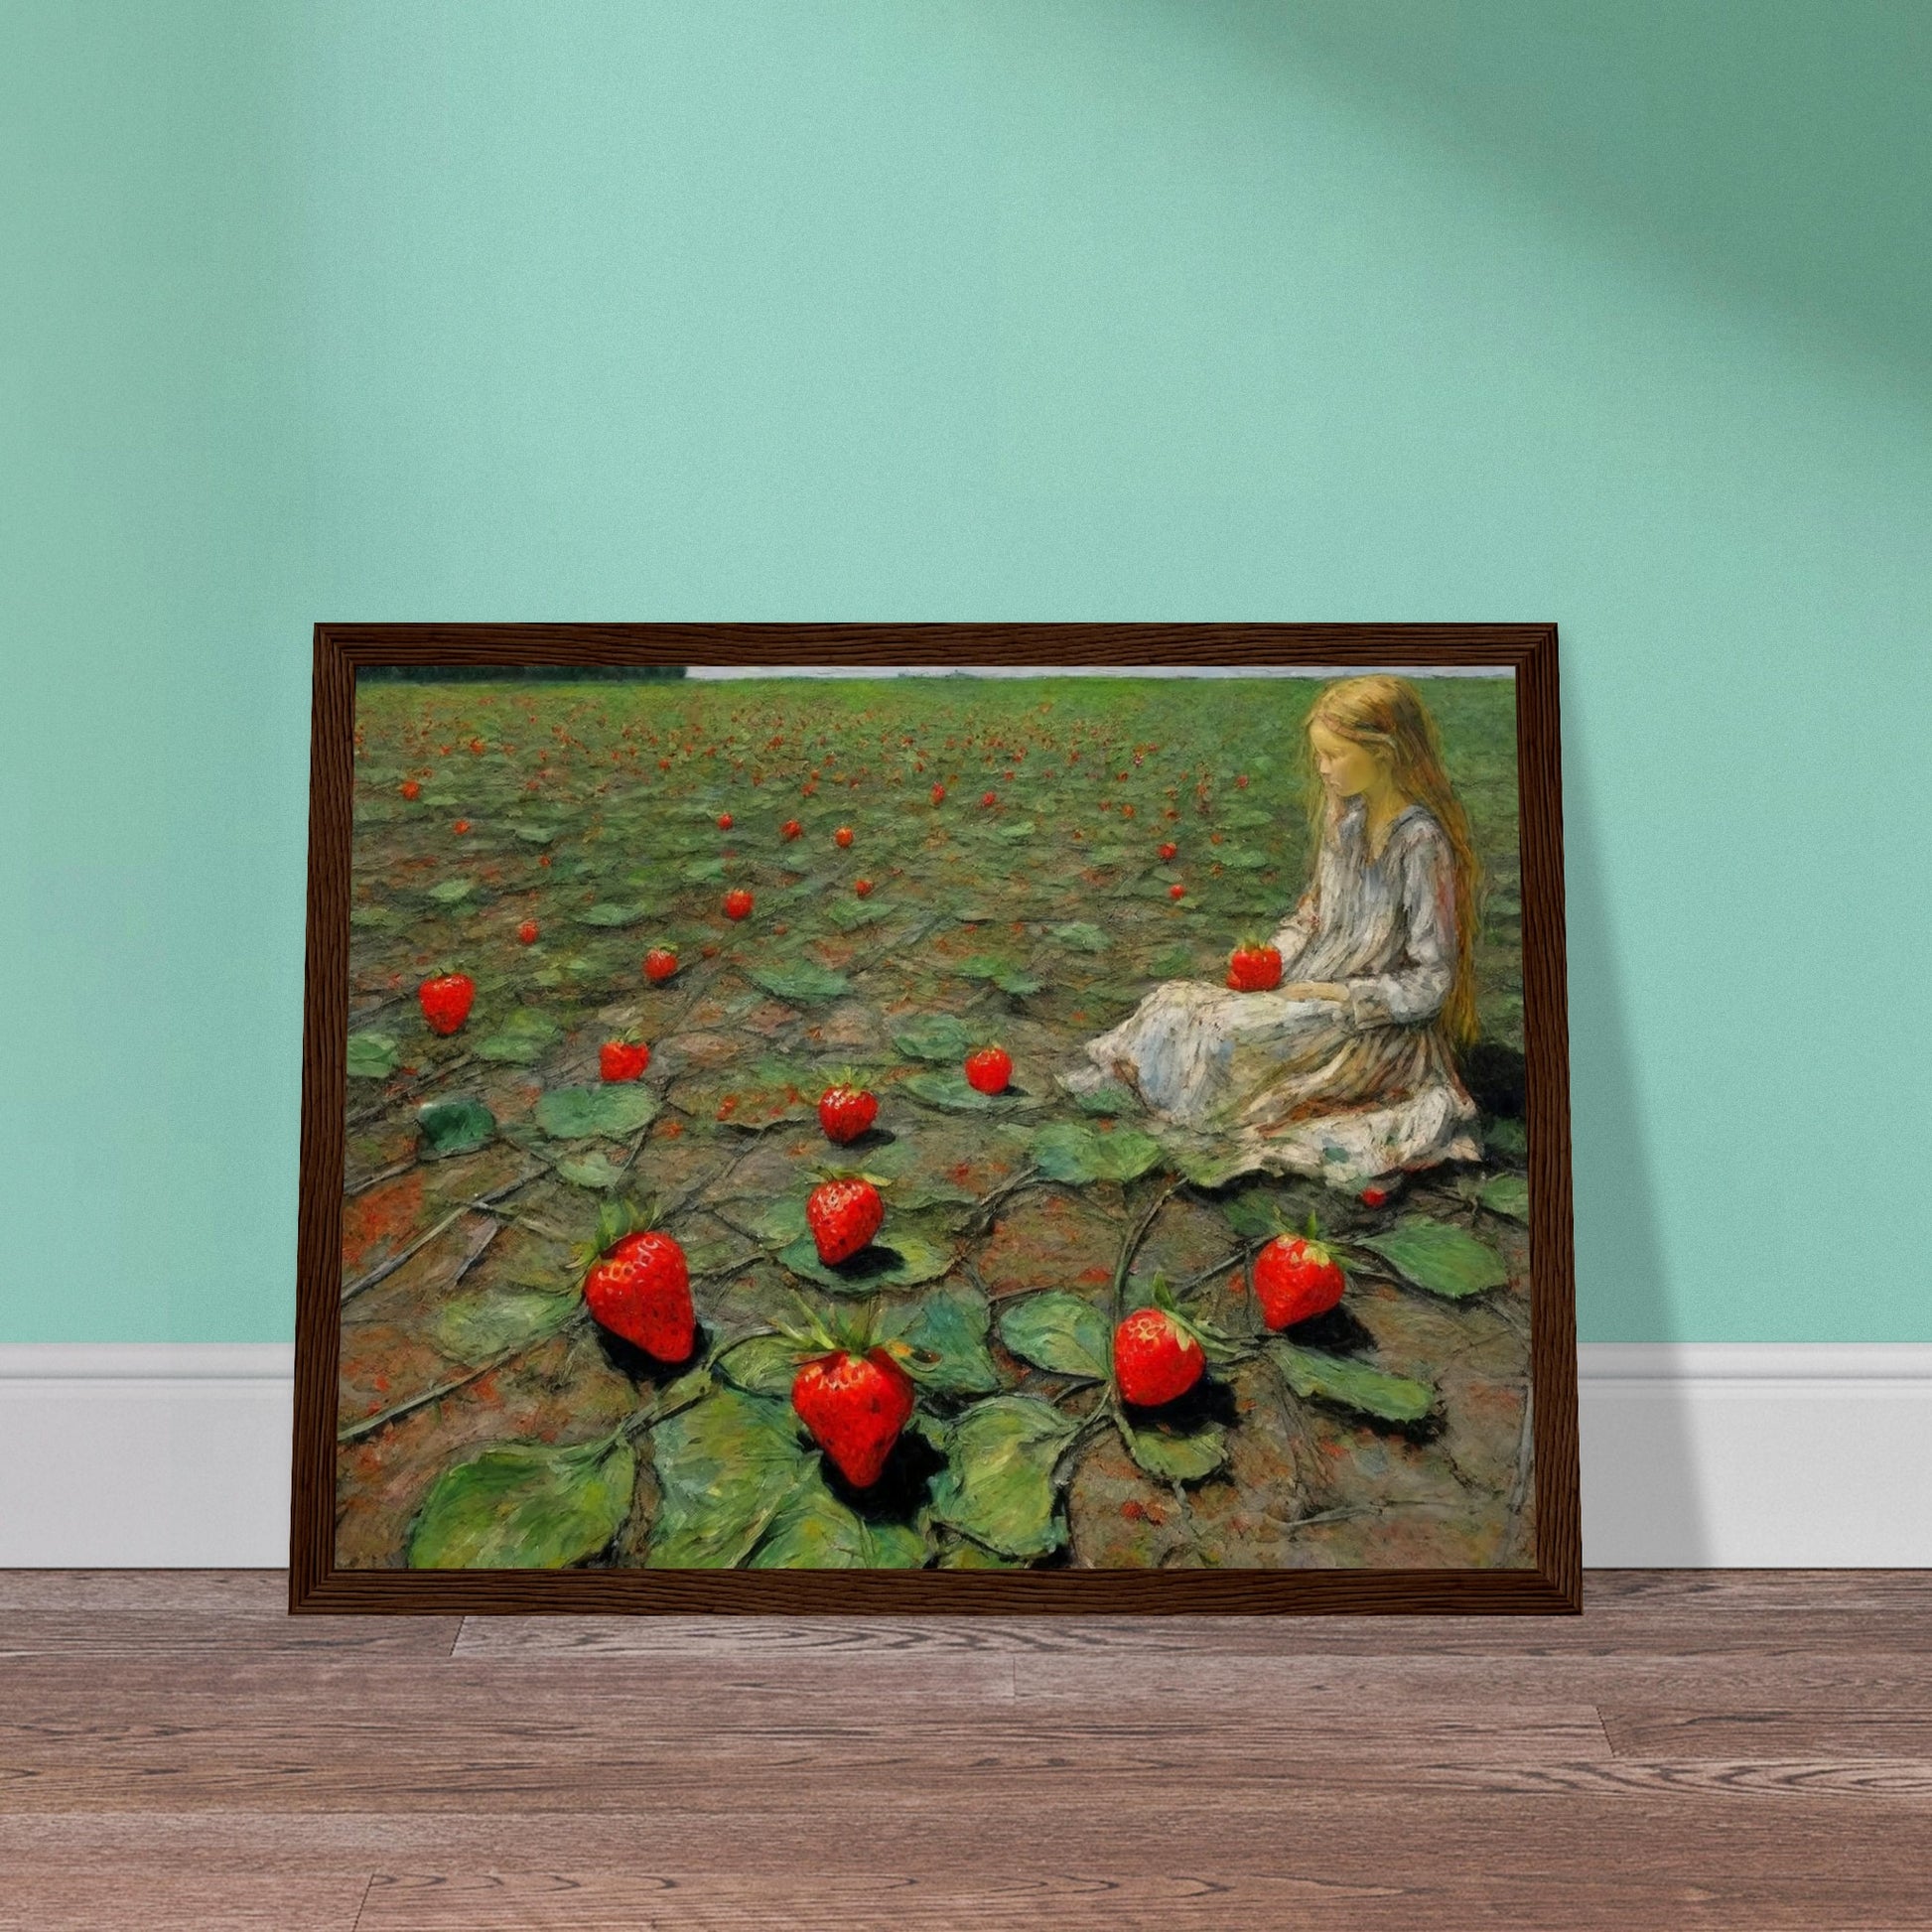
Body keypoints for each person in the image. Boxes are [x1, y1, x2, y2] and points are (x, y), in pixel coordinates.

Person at [1059, 674, 1487, 1188]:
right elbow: (1312, 917)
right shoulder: (1346, 823)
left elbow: (1431, 982)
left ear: (1385, 754)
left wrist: (1337, 994)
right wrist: (1273, 961)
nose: (1323, 769)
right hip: (1309, 991)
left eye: (1334, 755)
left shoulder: (1419, 843)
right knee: (1172, 1004)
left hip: (1372, 1028)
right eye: (1319, 757)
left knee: (1223, 1036)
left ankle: (1192, 1116)